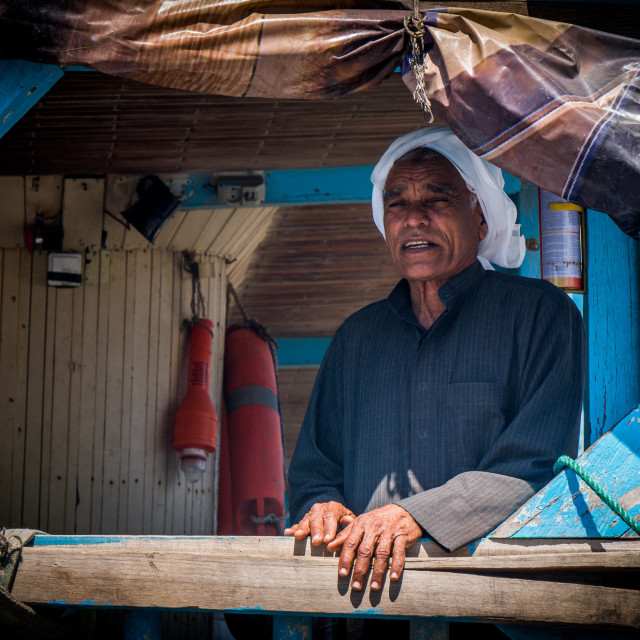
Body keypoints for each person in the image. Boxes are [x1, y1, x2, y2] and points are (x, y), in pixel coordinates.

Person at [285, 127, 585, 595]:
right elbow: (314, 468)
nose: (414, 218)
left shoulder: (539, 315)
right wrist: (321, 505)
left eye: (438, 197)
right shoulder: (357, 338)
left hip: (490, 599)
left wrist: (412, 517)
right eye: (397, 202)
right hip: (366, 603)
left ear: (481, 219)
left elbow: (534, 461)